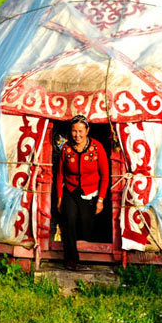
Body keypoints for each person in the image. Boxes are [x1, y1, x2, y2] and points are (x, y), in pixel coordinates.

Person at [56, 114, 109, 271]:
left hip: (90, 192)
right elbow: (59, 175)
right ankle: (72, 259)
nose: (77, 135)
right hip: (70, 191)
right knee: (69, 220)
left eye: (80, 131)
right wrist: (59, 198)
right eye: (74, 131)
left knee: (87, 225)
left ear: (87, 130)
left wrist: (101, 199)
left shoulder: (97, 148)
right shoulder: (66, 149)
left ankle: (90, 255)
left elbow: (105, 176)